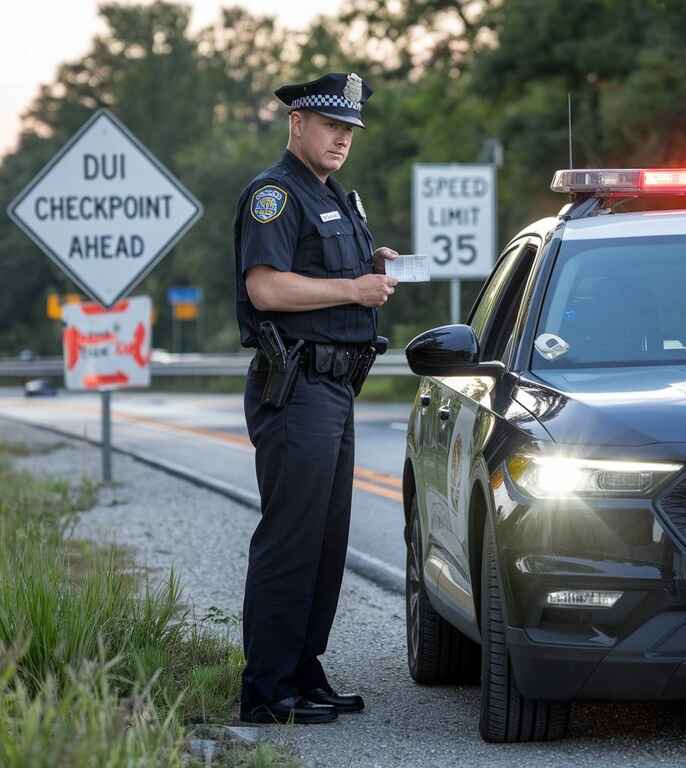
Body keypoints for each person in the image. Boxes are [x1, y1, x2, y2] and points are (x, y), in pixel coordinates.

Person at [233, 72, 399, 725]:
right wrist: (355, 292)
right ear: (298, 122)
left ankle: (304, 671)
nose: (341, 140)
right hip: (296, 384)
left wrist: (371, 263)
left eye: (349, 130)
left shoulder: (333, 197)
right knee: (291, 538)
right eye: (331, 126)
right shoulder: (275, 194)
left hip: (335, 386)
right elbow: (267, 289)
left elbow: (334, 274)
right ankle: (266, 689)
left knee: (328, 542)